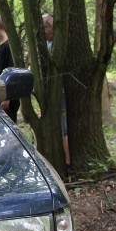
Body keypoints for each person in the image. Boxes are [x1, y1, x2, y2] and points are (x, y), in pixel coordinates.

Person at [43, 14, 71, 172]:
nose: (43, 31)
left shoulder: (60, 46)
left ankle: (67, 164)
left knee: (64, 126)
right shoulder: (47, 45)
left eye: (45, 27)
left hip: (61, 93)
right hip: (50, 95)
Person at [0, 15, 20, 123]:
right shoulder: (1, 46)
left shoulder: (9, 46)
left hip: (7, 100)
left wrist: (7, 98)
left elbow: (11, 71)